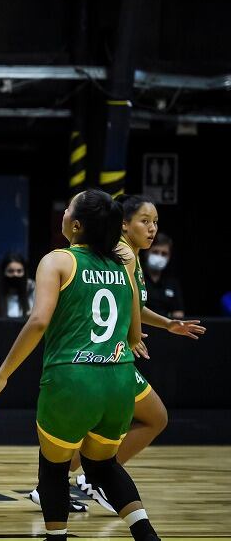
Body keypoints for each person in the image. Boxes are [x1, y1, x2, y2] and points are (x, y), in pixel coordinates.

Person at [0, 189, 161, 541]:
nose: (63, 212)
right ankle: (147, 536)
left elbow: (37, 322)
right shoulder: (121, 264)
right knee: (103, 465)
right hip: (119, 378)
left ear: (76, 224)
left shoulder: (58, 260)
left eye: (68, 209)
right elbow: (134, 331)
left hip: (72, 378)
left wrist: (2, 375)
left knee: (53, 468)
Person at [71, 195, 205, 511]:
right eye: (144, 221)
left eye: (156, 222)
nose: (152, 228)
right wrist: (131, 335)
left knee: (108, 428)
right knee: (154, 417)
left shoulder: (127, 253)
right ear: (123, 224)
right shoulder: (122, 253)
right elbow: (120, 304)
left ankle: (60, 479)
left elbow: (134, 305)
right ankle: (94, 478)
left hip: (102, 354)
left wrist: (168, 323)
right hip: (107, 354)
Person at [142, 232, 185, 319]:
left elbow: (179, 313)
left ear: (169, 257)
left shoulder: (172, 283)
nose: (159, 256)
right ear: (147, 252)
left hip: (167, 330)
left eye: (164, 254)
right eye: (155, 252)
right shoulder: (136, 277)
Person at [0, 252, 35, 318]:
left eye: (19, 271)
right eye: (10, 271)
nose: (15, 275)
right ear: (3, 273)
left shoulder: (33, 291)